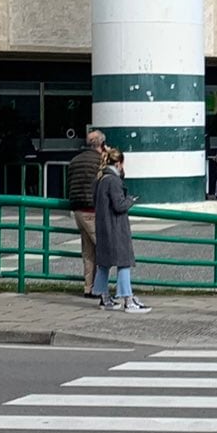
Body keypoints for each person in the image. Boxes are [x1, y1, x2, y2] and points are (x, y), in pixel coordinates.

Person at [90, 148, 150, 313]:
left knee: (104, 264)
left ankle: (104, 297)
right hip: (116, 228)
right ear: (119, 163)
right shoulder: (114, 181)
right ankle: (128, 299)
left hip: (102, 227)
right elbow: (119, 205)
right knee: (124, 262)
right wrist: (130, 200)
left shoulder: (100, 179)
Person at [65, 129, 107, 299]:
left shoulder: (75, 160)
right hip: (93, 209)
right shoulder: (100, 161)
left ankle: (88, 287)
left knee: (88, 251)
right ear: (102, 144)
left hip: (78, 209)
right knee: (104, 248)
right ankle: (101, 289)